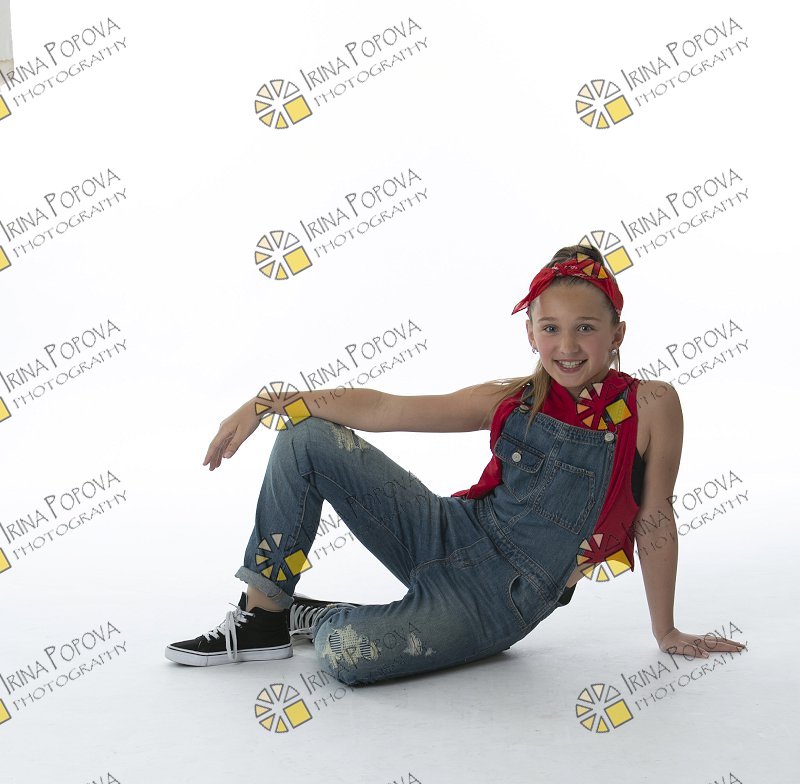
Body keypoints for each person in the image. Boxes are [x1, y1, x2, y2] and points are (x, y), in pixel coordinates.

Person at [164, 243, 747, 685]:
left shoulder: (651, 404)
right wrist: (268, 402)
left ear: (618, 334)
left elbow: (655, 517)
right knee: (305, 438)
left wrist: (665, 629)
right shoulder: (513, 397)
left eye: (586, 329)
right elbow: (386, 408)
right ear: (531, 333)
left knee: (345, 655)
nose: (567, 346)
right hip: (447, 531)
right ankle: (265, 617)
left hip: (498, 599)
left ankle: (321, 617)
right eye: (551, 328)